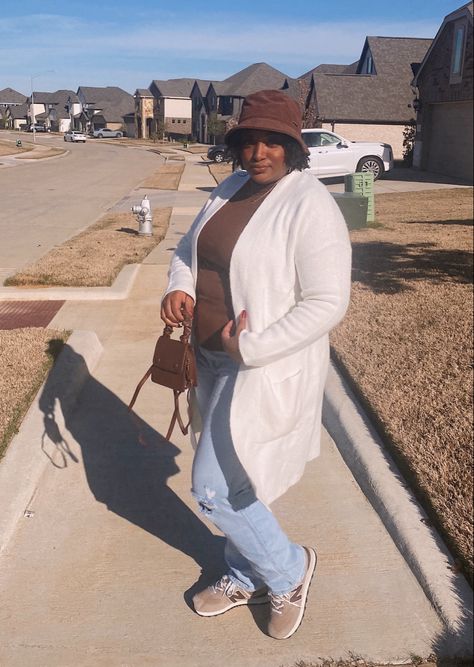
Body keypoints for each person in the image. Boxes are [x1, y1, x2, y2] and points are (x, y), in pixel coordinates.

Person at [160, 89, 351, 640]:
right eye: (249, 140)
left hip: (257, 369)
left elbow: (326, 302)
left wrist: (256, 347)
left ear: (295, 146)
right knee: (237, 477)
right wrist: (179, 285)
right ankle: (247, 571)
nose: (259, 151)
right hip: (211, 360)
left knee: (215, 489)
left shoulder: (309, 205)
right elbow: (188, 251)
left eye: (273, 140)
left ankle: (289, 571)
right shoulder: (229, 188)